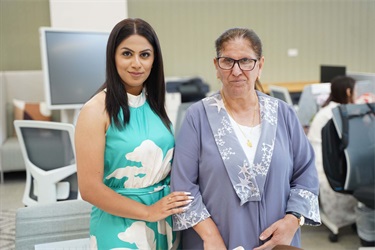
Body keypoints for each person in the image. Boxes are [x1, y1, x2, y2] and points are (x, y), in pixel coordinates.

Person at [170, 27, 321, 250]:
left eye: (246, 61)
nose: (236, 70)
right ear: (216, 66)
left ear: (259, 66)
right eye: (227, 61)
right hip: (216, 242)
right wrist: (211, 237)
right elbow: (183, 186)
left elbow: (306, 174)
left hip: (278, 242)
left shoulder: (283, 114)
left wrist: (293, 221)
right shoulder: (197, 117)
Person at [75, 18, 192, 249]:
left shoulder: (155, 104)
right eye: (127, 54)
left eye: (145, 55)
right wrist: (148, 212)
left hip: (163, 221)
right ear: (113, 57)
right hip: (120, 225)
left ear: (154, 60)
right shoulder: (95, 110)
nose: (137, 64)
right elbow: (89, 189)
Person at [307, 75, 358, 232]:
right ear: (349, 92)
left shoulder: (329, 109)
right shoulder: (337, 112)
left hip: (318, 160)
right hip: (326, 165)